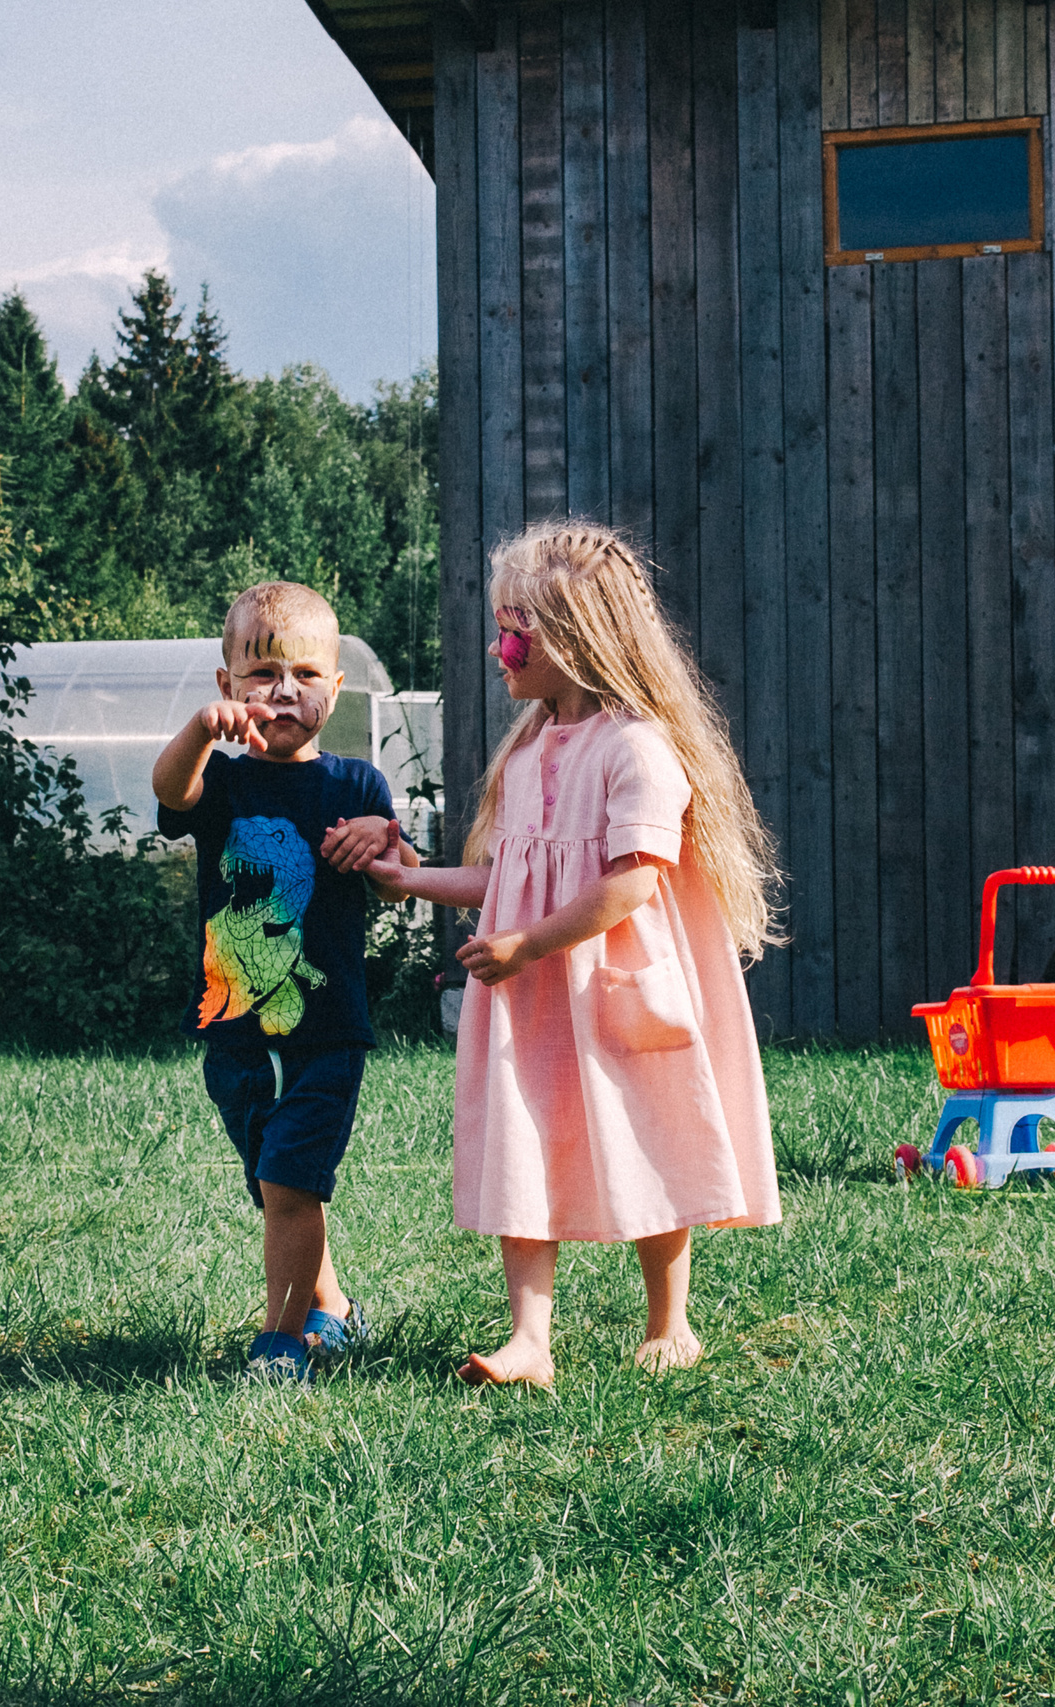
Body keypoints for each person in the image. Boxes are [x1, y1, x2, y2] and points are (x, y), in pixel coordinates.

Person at [356, 522, 783, 1388]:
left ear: (575, 635)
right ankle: (529, 1339)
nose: (498, 649)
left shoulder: (638, 749)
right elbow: (508, 876)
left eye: (513, 631)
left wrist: (528, 943)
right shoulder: (528, 751)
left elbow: (632, 882)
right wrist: (412, 880)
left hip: (615, 987)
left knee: (650, 1134)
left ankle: (671, 1322)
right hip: (535, 997)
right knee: (523, 1143)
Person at [152, 581, 419, 1383]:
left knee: (288, 1181)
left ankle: (281, 1341)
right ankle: (334, 1308)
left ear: (334, 688)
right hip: (234, 1034)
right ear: (228, 685)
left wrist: (387, 836)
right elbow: (169, 790)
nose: (284, 690)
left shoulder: (357, 786)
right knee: (277, 1190)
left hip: (326, 1032)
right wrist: (202, 732)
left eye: (305, 674)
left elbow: (399, 880)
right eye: (263, 672)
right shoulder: (224, 783)